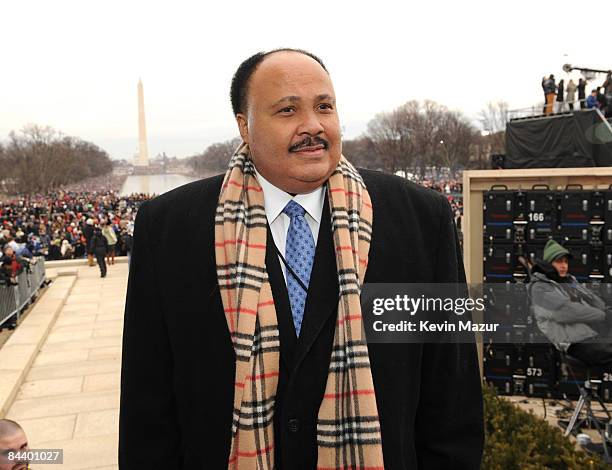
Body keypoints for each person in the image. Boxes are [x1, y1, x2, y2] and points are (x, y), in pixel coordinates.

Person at [119, 48, 483, 469]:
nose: (313, 126)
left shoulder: (422, 222)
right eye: (288, 110)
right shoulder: (168, 230)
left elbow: (452, 401)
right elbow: (148, 409)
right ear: (245, 126)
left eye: (324, 107)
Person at [529, 239, 612, 366]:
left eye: (566, 262)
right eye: (559, 262)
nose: (564, 266)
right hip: (574, 342)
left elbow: (590, 297)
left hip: (591, 332)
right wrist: (603, 315)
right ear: (549, 263)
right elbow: (565, 312)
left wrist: (606, 309)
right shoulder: (540, 288)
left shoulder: (569, 280)